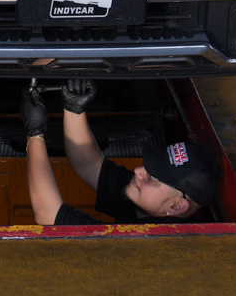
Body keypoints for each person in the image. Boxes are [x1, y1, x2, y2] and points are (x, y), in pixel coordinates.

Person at [20, 80, 220, 224]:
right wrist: (74, 109)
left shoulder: (146, 242)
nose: (139, 171)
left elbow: (49, 215)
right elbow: (89, 165)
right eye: (149, 166)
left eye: (152, 177)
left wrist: (35, 133)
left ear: (176, 207)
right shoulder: (149, 202)